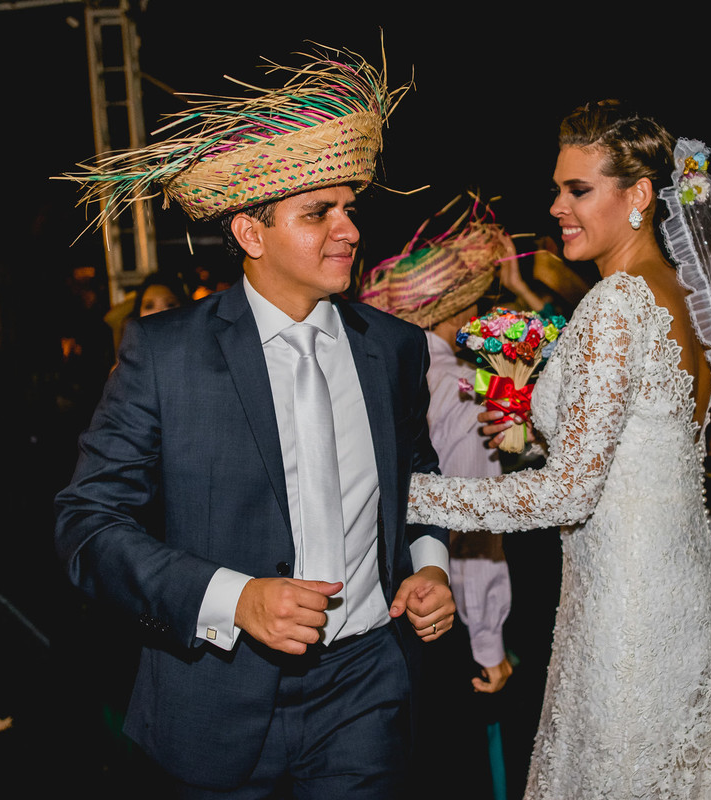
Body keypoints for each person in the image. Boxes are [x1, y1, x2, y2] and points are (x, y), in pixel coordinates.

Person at [408, 100, 711, 798]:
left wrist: (409, 493)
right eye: (557, 189)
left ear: (640, 195)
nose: (556, 207)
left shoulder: (617, 302)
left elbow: (569, 493)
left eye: (577, 190)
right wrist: (534, 428)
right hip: (685, 584)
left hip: (629, 610)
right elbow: (638, 445)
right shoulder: (680, 293)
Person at [54, 46, 456, 798]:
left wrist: (429, 562)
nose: (348, 230)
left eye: (350, 209)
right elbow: (87, 525)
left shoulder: (395, 348)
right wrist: (232, 598)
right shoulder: (166, 353)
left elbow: (417, 472)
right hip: (214, 694)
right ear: (251, 234)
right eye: (318, 213)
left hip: (364, 688)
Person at [360, 194, 516, 798]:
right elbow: (473, 522)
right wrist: (488, 640)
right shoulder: (463, 389)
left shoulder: (380, 377)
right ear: (463, 308)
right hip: (445, 612)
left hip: (382, 612)